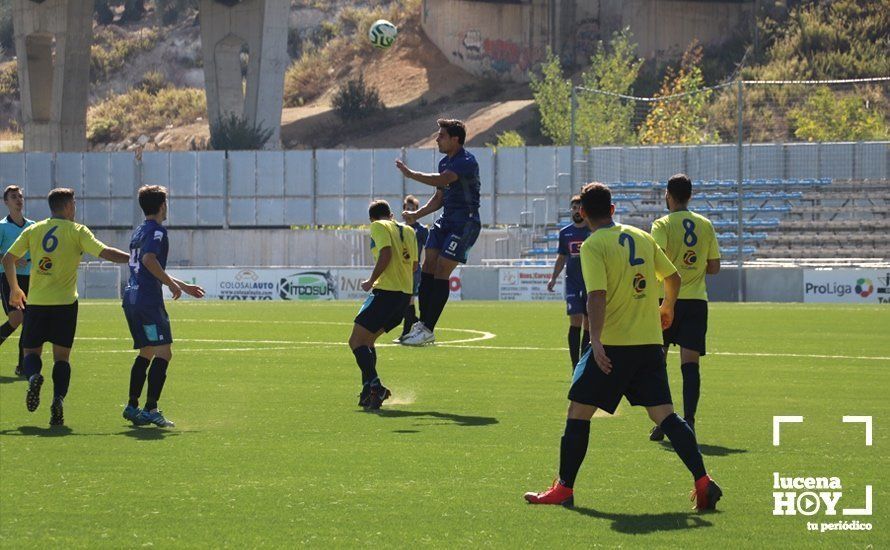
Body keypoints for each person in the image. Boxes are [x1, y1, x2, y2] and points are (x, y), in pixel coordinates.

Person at [523, 182, 722, 511]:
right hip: (648, 343)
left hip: (615, 346)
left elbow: (596, 296)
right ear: (613, 210)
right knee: (665, 415)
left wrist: (596, 341)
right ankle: (703, 481)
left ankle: (564, 488)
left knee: (578, 412)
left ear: (583, 213)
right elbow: (672, 278)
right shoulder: (641, 236)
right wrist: (667, 307)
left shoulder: (593, 245)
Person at [2, 188, 129, 426]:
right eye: (74, 204)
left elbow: (8, 258)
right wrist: (133, 257)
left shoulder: (34, 229)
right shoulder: (77, 231)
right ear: (69, 206)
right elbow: (106, 253)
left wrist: (15, 288)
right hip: (66, 304)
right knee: (62, 358)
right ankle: (58, 400)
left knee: (31, 353)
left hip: (37, 303)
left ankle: (34, 378)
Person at [121, 186, 205, 428]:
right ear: (161, 206)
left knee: (146, 351)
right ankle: (151, 409)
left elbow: (147, 264)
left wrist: (183, 285)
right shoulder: (158, 231)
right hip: (148, 300)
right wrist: (170, 284)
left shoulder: (139, 231)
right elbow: (149, 260)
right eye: (166, 203)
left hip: (131, 297)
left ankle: (132, 405)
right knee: (164, 352)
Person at [647, 174, 720, 441]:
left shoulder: (662, 224)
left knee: (658, 361)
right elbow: (714, 267)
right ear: (690, 195)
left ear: (668, 194)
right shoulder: (705, 224)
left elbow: (658, 260)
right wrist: (693, 266)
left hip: (666, 300)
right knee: (690, 365)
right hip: (696, 301)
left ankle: (667, 421)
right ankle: (688, 420)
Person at [395, 118, 481, 345]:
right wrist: (417, 215)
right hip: (446, 221)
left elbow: (443, 180)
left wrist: (411, 174)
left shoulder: (466, 161)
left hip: (465, 223)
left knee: (443, 267)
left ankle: (428, 328)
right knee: (428, 265)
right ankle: (422, 325)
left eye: (441, 136)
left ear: (455, 139)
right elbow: (439, 196)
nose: (437, 139)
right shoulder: (444, 162)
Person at [348, 200, 417, 410]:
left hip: (386, 292)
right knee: (368, 342)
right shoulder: (408, 231)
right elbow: (414, 265)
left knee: (356, 342)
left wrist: (370, 281)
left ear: (372, 219)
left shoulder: (378, 226)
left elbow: (385, 254)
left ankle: (376, 386)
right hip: (403, 297)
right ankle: (368, 391)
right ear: (391, 214)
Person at [547, 195, 591, 371]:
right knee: (575, 322)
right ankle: (575, 366)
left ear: (584, 210)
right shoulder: (565, 233)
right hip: (573, 283)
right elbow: (562, 257)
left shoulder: (592, 230)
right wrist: (553, 277)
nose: (576, 210)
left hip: (590, 282)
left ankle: (585, 363)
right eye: (573, 207)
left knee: (589, 323)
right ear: (570, 210)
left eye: (579, 207)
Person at [0, 186, 35, 376]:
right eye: (13, 197)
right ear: (6, 202)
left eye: (20, 196)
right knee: (16, 318)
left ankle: (23, 366)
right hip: (7, 277)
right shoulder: (2, 226)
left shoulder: (33, 226)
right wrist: (10, 258)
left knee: (29, 322)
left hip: (31, 278)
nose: (18, 199)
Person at [395, 195, 429, 343]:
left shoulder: (421, 230)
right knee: (402, 301)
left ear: (417, 211)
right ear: (403, 211)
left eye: (413, 209)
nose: (409, 212)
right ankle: (419, 325)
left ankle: (406, 332)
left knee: (407, 300)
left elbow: (428, 250)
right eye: (407, 209)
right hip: (399, 269)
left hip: (413, 269)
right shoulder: (398, 228)